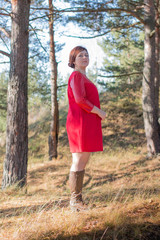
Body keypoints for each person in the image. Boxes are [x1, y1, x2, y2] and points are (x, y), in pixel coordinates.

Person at [66, 46, 106, 212]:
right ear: (73, 60)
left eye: (86, 55)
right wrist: (99, 111)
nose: (84, 57)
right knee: (78, 160)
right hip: (79, 123)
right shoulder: (76, 75)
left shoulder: (83, 76)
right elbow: (80, 99)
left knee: (83, 160)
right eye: (80, 55)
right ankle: (75, 202)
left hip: (87, 122)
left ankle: (78, 202)